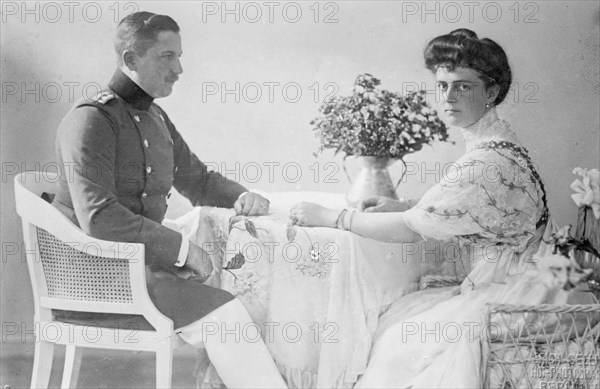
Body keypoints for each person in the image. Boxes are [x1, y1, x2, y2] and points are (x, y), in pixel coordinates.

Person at [289, 29, 553, 387]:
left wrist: (333, 217)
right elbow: (474, 210)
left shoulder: (488, 159)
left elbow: (412, 230)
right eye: (442, 85)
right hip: (508, 280)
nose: (448, 96)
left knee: (402, 342)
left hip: (512, 291)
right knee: (399, 321)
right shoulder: (499, 143)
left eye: (463, 86)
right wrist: (404, 205)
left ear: (491, 92)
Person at [52, 11, 287, 388]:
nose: (179, 68)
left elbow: (198, 180)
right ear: (130, 60)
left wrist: (243, 195)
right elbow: (99, 217)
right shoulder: (92, 119)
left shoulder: (155, 117)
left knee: (246, 294)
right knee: (226, 315)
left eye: (179, 56)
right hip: (95, 281)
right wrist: (182, 249)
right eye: (167, 56)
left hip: (142, 272)